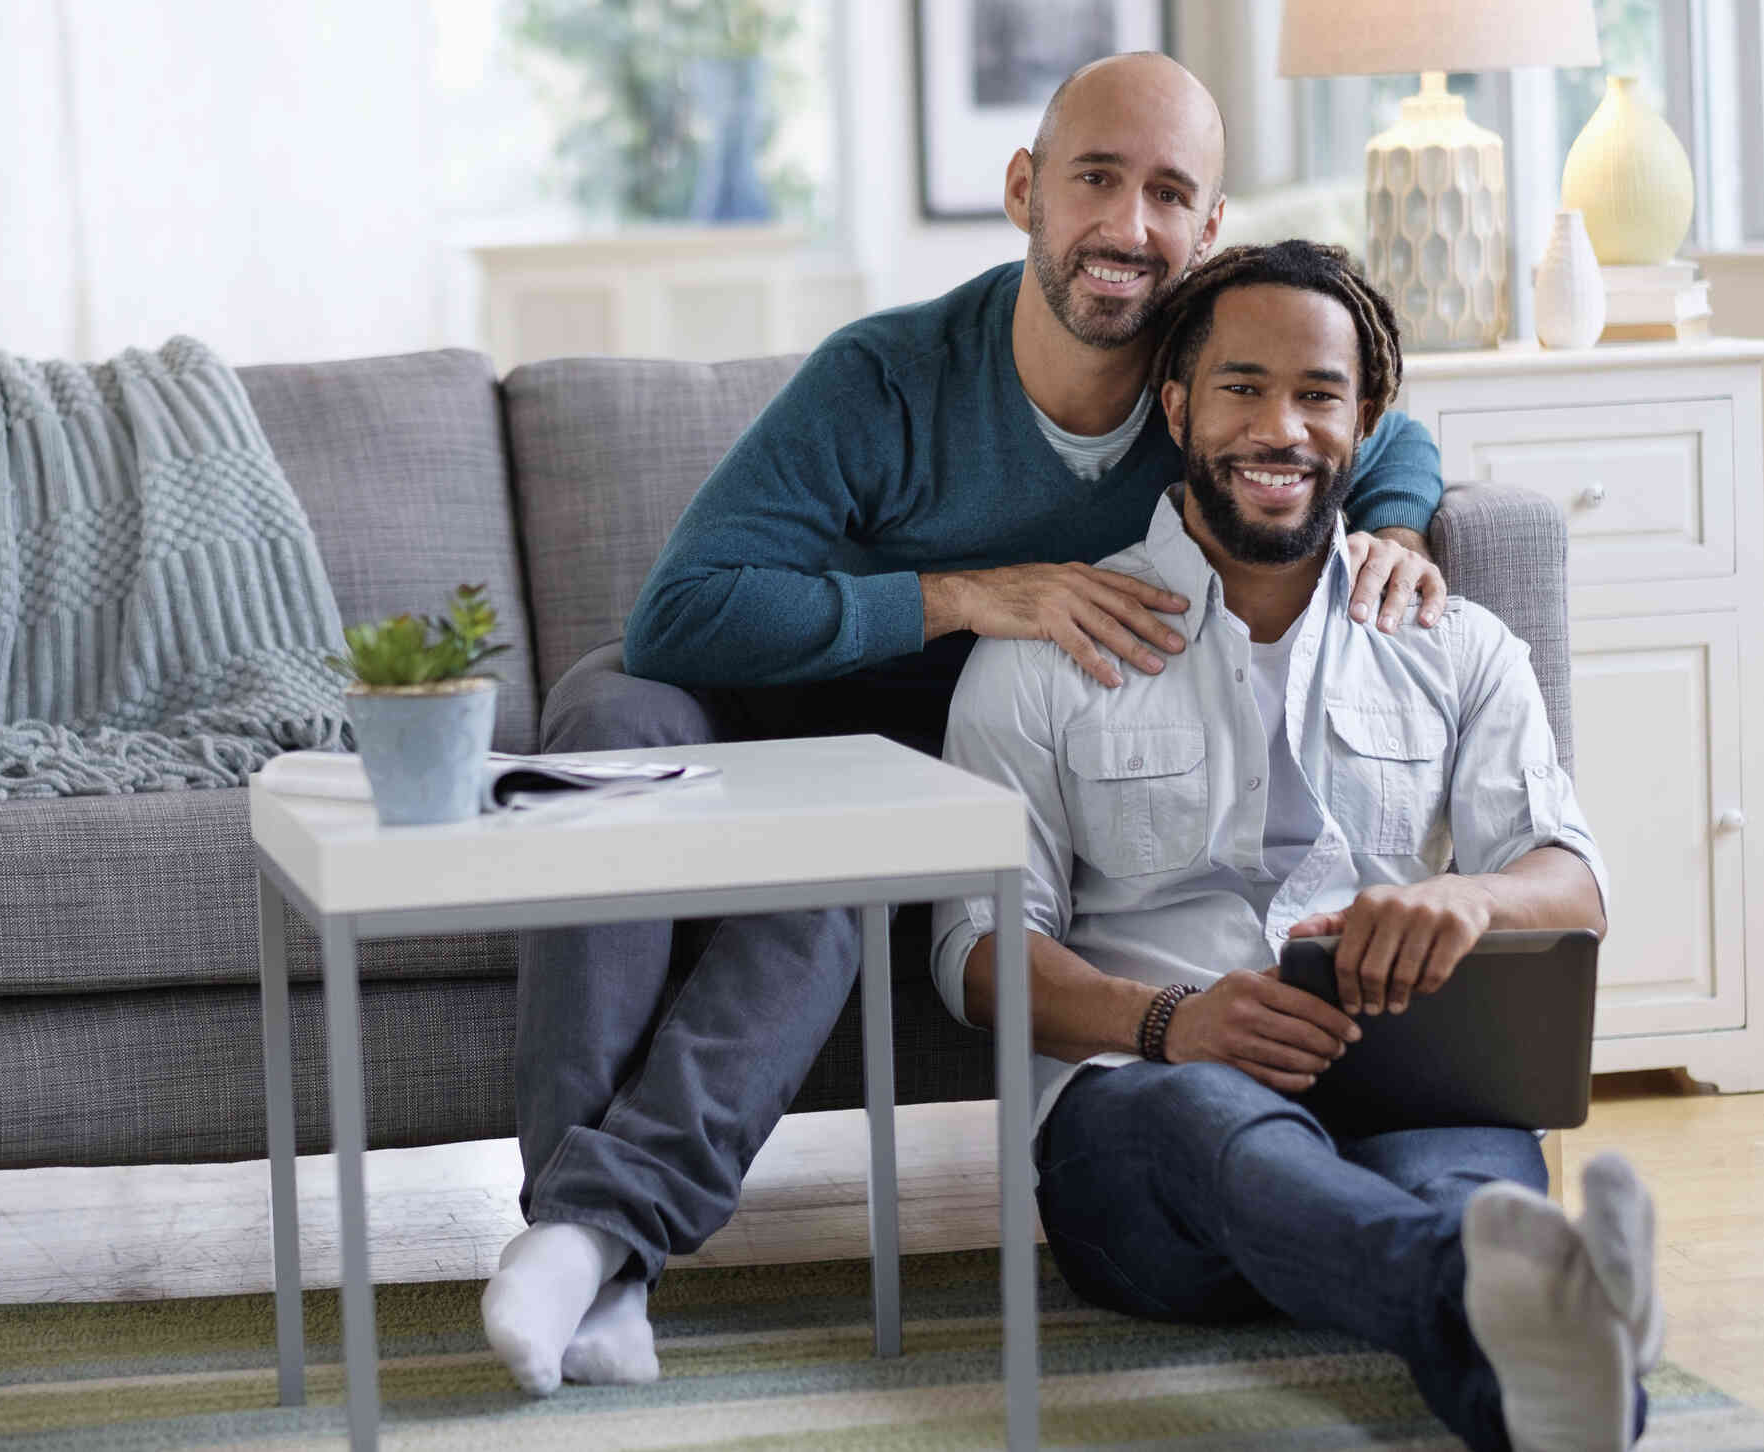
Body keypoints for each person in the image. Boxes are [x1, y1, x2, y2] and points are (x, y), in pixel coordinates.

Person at [483, 52, 1450, 1395]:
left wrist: (1397, 526)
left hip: (910, 790)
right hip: (747, 716)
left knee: (841, 866)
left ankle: (589, 1245)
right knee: (605, 709)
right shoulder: (885, 377)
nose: (1129, 224)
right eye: (1096, 179)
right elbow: (683, 614)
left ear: (1208, 231)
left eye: (1169, 192)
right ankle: (593, 1241)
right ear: (1024, 192)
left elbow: (1383, 430)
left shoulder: (1211, 400)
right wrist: (963, 596)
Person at [931, 238, 1659, 1452]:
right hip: (1152, 1118)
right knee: (1214, 1130)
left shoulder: (1454, 642)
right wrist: (1169, 1025)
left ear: (1365, 424)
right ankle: (1535, 1297)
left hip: (1409, 1082)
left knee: (1463, 1191)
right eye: (1241, 386)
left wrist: (1468, 904)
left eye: (1319, 394)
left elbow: (1570, 882)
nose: (1281, 426)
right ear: (1175, 407)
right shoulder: (1044, 648)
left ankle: (1562, 1404)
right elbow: (973, 954)